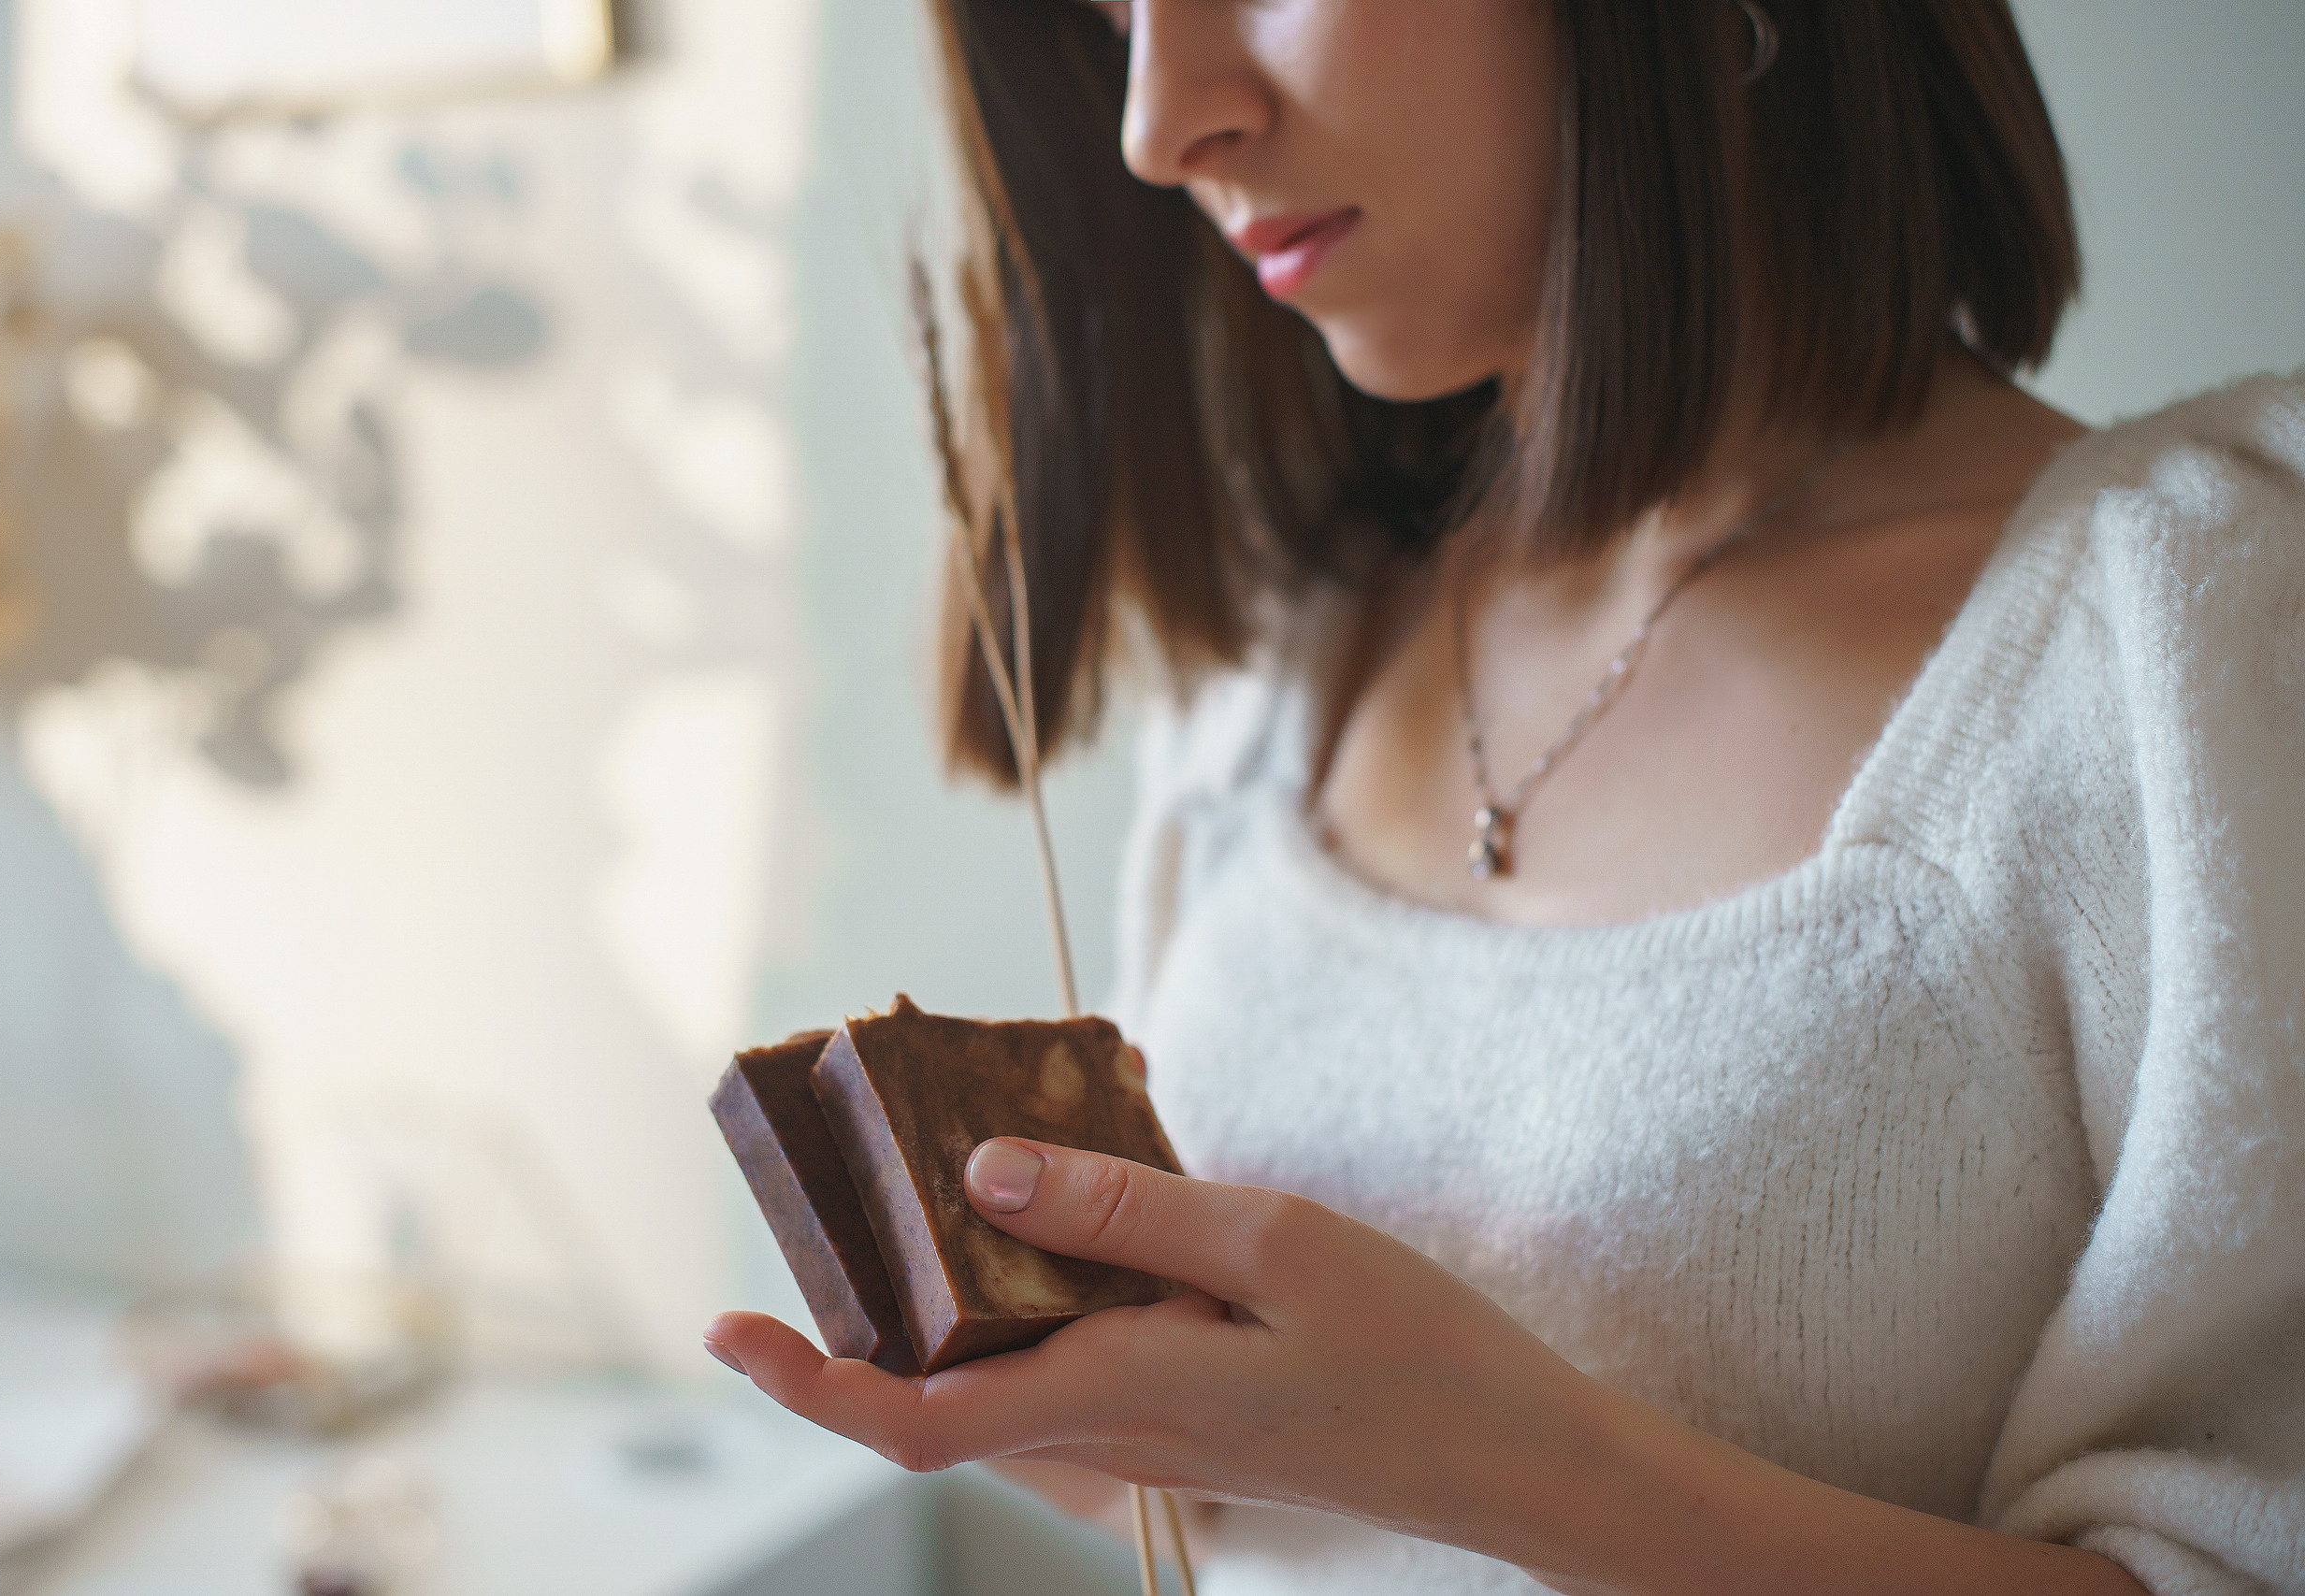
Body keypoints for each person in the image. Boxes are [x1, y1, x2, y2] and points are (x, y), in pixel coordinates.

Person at [705, 2, 2305, 1590]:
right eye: (1111, 12)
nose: (1158, 123)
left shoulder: (2199, 636)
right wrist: (1086, 1417)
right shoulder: (1287, 671)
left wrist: (1489, 1462)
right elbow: (1280, 1526)